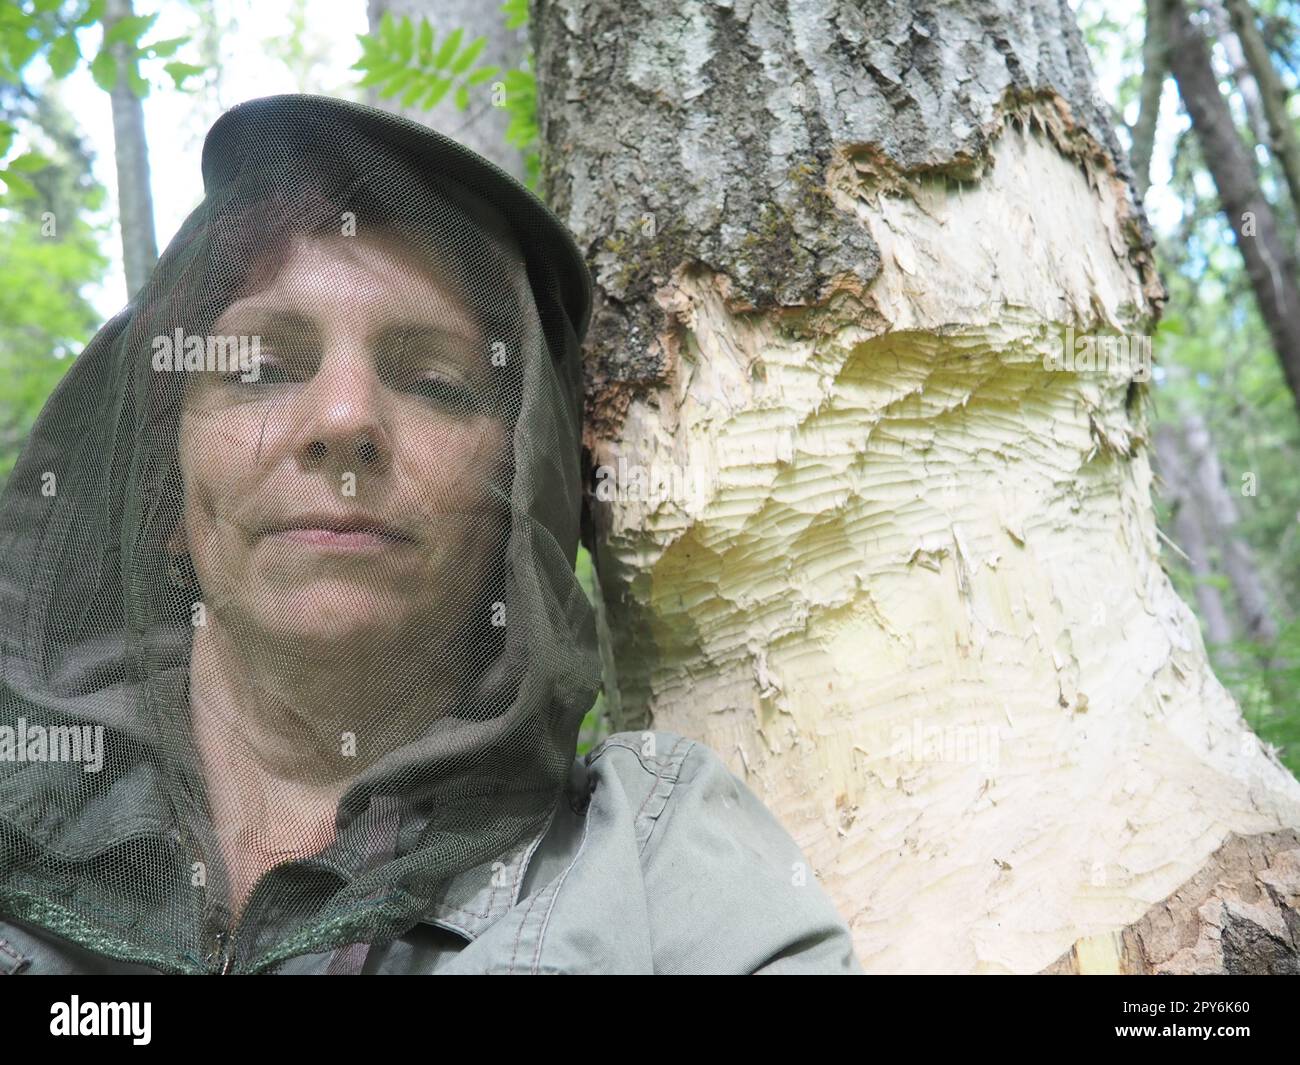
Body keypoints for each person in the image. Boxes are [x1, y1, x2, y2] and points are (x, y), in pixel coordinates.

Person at [0, 93, 862, 974]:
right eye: (260, 366)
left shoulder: (658, 858)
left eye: (438, 382)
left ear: (518, 503)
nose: (343, 418)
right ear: (163, 499)